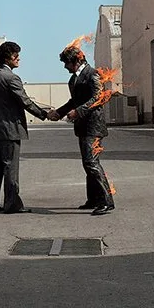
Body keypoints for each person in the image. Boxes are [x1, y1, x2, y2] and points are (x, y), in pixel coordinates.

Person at [0, 41, 48, 214]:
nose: (18, 59)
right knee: (10, 166)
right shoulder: (11, 78)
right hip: (9, 129)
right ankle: (12, 204)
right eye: (15, 56)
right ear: (7, 58)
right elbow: (25, 101)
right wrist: (44, 114)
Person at [47, 46, 115, 215]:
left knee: (92, 163)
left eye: (67, 63)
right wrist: (59, 113)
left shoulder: (93, 74)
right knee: (88, 164)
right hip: (83, 127)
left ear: (77, 61)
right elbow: (74, 101)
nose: (65, 67)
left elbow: (98, 98)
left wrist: (78, 112)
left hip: (93, 126)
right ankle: (93, 199)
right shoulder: (74, 79)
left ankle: (106, 201)